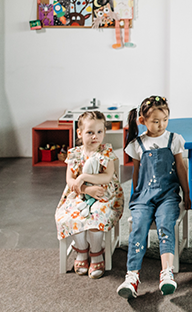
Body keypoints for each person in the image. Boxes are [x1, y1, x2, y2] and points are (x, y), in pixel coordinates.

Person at [117, 96, 191, 299]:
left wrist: (186, 192)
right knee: (138, 227)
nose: (160, 125)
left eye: (165, 120)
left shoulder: (174, 139)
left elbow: (182, 169)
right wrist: (135, 196)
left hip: (167, 196)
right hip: (143, 197)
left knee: (166, 225)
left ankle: (167, 273)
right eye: (155, 121)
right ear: (143, 121)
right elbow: (136, 173)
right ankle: (132, 276)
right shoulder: (137, 144)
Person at [55, 111, 124, 279]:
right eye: (90, 132)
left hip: (104, 194)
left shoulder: (105, 152)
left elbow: (107, 176)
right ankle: (82, 251)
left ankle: (96, 252)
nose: (95, 136)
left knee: (97, 215)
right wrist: (86, 189)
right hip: (79, 195)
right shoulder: (74, 154)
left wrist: (84, 177)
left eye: (100, 132)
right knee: (73, 216)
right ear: (80, 133)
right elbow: (70, 181)